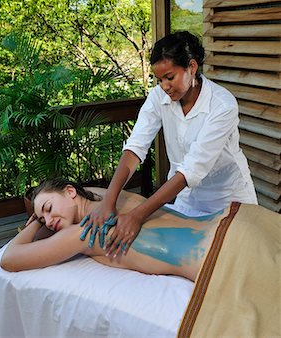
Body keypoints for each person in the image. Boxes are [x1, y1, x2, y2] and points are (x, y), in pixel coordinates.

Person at [82, 31, 257, 256]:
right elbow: (136, 147)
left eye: (170, 77)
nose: (164, 86)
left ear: (192, 67)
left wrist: (138, 215)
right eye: (160, 80)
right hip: (187, 199)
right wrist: (109, 200)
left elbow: (192, 168)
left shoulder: (222, 105)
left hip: (228, 198)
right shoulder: (158, 98)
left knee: (233, 259)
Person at [0, 178, 230, 283]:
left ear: (71, 192)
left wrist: (33, 224)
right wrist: (42, 215)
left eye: (48, 209)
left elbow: (9, 259)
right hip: (223, 225)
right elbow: (82, 190)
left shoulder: (86, 231)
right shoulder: (111, 195)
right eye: (43, 219)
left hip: (213, 260)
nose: (48, 221)